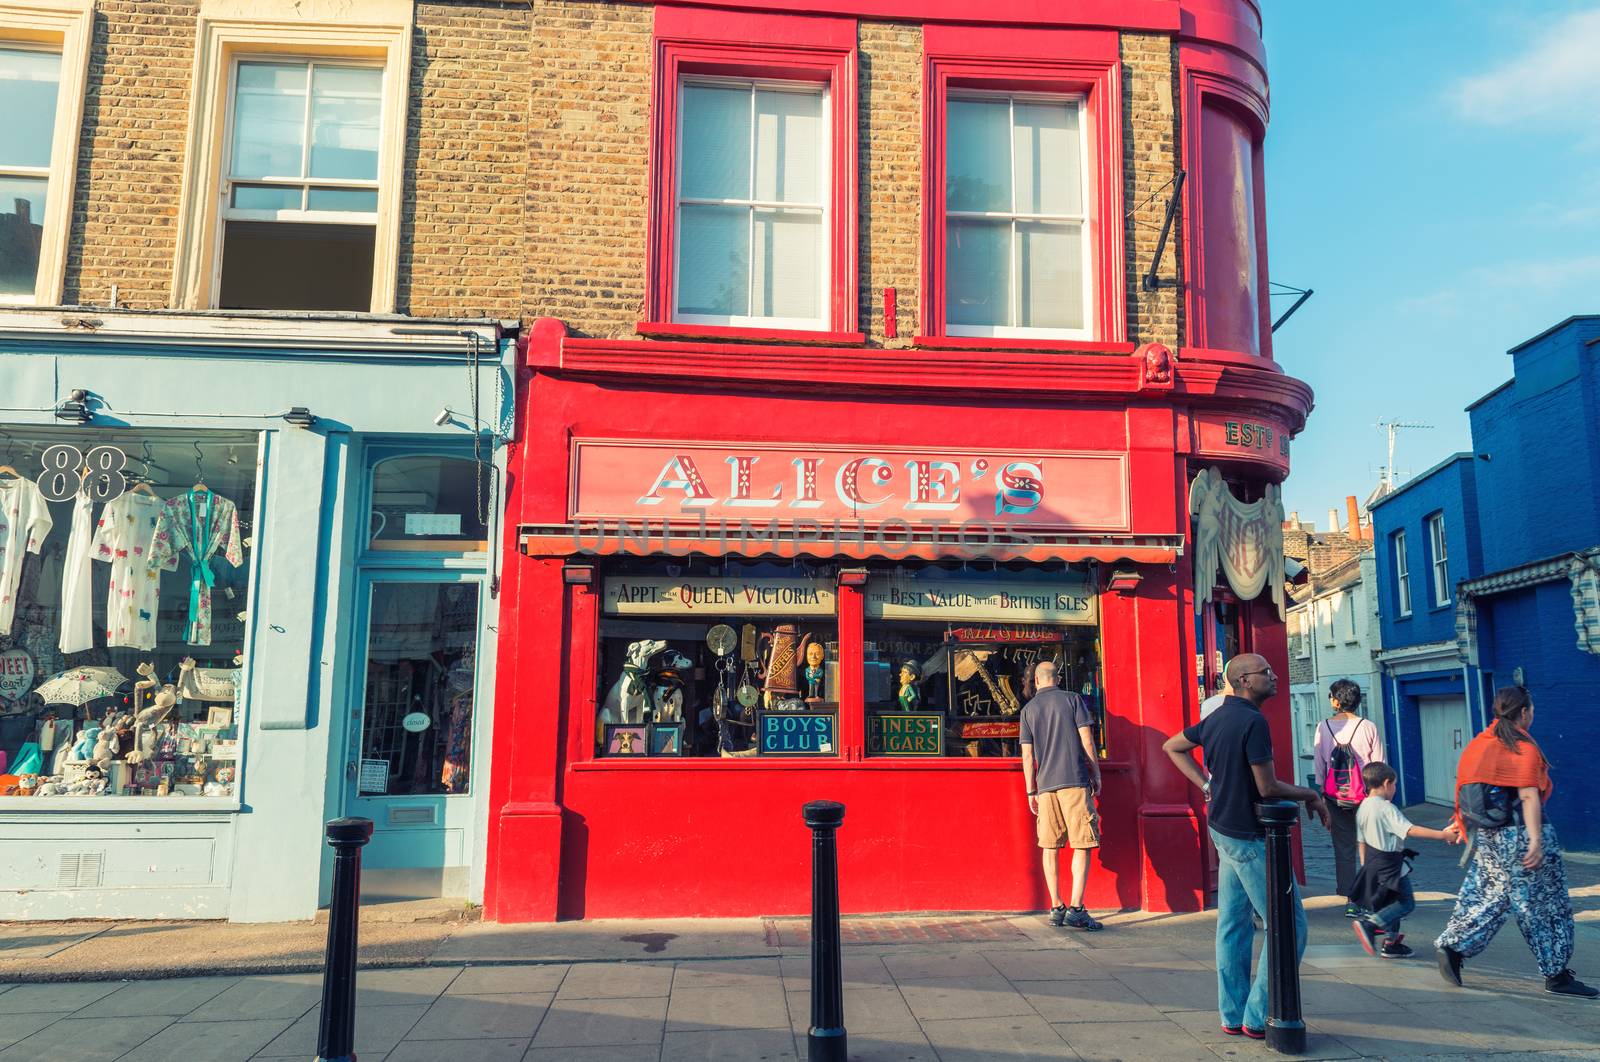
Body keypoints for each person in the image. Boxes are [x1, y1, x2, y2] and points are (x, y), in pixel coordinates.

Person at [1163, 653, 1329, 1039]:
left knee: (1233, 924)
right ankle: (1256, 1017)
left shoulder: (1219, 715)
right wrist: (1310, 794)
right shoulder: (1253, 721)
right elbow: (1267, 787)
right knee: (1289, 925)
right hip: (1249, 838)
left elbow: (1172, 746)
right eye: (1265, 672)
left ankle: (1232, 1013)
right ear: (1243, 680)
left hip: (1222, 829)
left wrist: (1207, 786)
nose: (1273, 676)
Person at [1435, 687, 1598, 997]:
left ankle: (1454, 946)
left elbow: (1468, 789)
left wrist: (1462, 822)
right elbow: (1527, 794)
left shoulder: (1479, 745)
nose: (1533, 714)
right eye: (1531, 710)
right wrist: (1536, 841)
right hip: (1522, 834)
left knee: (1489, 895)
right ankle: (1557, 974)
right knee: (1546, 903)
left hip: (1490, 837)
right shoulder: (1523, 748)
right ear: (1523, 712)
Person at [1020, 659, 1103, 931]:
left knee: (1049, 846)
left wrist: (1030, 788)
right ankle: (1077, 908)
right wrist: (1096, 773)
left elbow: (1027, 754)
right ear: (1057, 678)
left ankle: (1056, 906)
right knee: (1082, 843)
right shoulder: (1073, 700)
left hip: (1045, 787)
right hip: (1074, 782)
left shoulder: (1028, 709)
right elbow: (1087, 739)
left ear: (1037, 681)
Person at [1348, 761, 1460, 959]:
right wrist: (1443, 836)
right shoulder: (1386, 808)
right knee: (1405, 903)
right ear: (1386, 783)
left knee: (1390, 900)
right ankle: (1370, 925)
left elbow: (1361, 840)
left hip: (1373, 863)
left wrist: (1366, 867)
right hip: (1390, 863)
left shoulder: (1363, 806)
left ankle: (1391, 944)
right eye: (1395, 784)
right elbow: (1410, 830)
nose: (1395, 789)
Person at [1314, 679, 1384, 912]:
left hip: (1335, 797)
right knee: (1370, 846)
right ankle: (1371, 896)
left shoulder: (1323, 727)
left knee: (1343, 848)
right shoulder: (1368, 727)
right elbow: (1380, 765)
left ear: (1335, 700)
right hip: (1366, 796)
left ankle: (1350, 899)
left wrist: (1323, 797)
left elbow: (1320, 766)